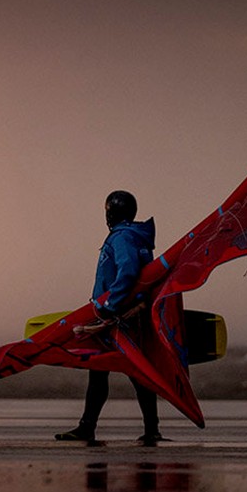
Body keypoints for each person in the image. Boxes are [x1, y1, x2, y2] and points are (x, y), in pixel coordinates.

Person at [55, 190, 163, 445]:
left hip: (116, 318)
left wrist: (109, 305)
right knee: (115, 371)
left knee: (120, 372)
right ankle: (149, 429)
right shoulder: (137, 237)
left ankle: (90, 428)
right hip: (127, 315)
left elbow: (128, 271)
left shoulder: (122, 237)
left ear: (111, 214)